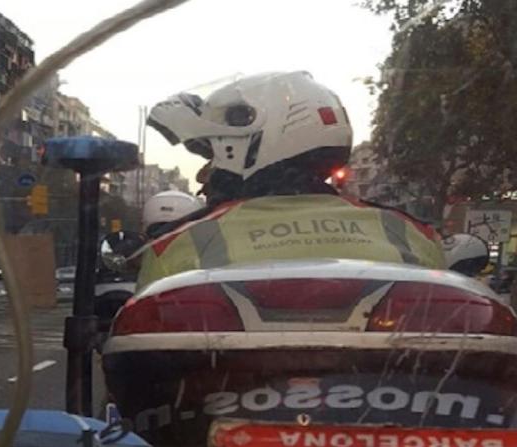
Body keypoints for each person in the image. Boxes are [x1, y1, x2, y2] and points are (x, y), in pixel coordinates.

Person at [137, 71, 445, 288]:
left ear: (248, 142)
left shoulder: (177, 245)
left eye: (213, 154)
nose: (206, 174)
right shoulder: (413, 234)